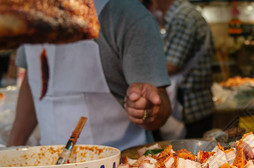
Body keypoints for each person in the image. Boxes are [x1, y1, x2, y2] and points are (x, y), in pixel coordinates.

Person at [7, 0, 171, 150]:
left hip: (119, 164)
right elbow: (32, 80)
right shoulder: (30, 16)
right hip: (48, 164)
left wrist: (147, 109)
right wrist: (12, 147)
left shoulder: (128, 15)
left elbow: (160, 105)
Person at [146, 0, 215, 140]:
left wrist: (138, 70)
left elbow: (172, 65)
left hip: (191, 109)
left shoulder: (183, 17)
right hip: (192, 106)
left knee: (191, 158)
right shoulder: (182, 15)